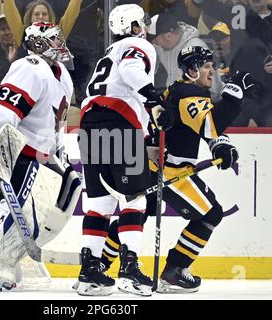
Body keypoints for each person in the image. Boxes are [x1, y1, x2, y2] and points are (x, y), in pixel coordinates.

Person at [94, 46, 256, 293]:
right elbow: (210, 125)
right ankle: (175, 270)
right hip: (173, 171)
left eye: (211, 64)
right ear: (191, 70)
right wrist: (234, 96)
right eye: (205, 65)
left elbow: (198, 129)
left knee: (137, 214)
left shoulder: (176, 90)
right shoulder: (190, 93)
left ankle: (99, 265)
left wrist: (219, 144)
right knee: (211, 214)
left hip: (153, 165)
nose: (211, 70)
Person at [0, 22, 79, 291]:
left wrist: (58, 151)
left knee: (69, 187)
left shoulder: (61, 73)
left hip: (40, 155)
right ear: (38, 44)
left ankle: (3, 259)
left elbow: (56, 121)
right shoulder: (30, 67)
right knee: (20, 213)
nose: (60, 43)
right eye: (53, 39)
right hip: (16, 151)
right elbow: (2, 109)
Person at [77, 4, 162, 297]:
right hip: (119, 123)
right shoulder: (138, 45)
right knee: (134, 201)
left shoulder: (109, 52)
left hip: (90, 125)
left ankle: (89, 272)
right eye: (144, 22)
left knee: (99, 205)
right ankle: (129, 270)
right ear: (136, 26)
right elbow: (131, 70)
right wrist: (154, 99)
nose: (146, 27)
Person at [148, 12, 224, 101]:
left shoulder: (196, 49)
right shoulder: (162, 46)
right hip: (175, 101)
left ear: (168, 36)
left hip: (200, 105)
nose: (155, 44)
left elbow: (215, 91)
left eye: (155, 40)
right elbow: (150, 60)